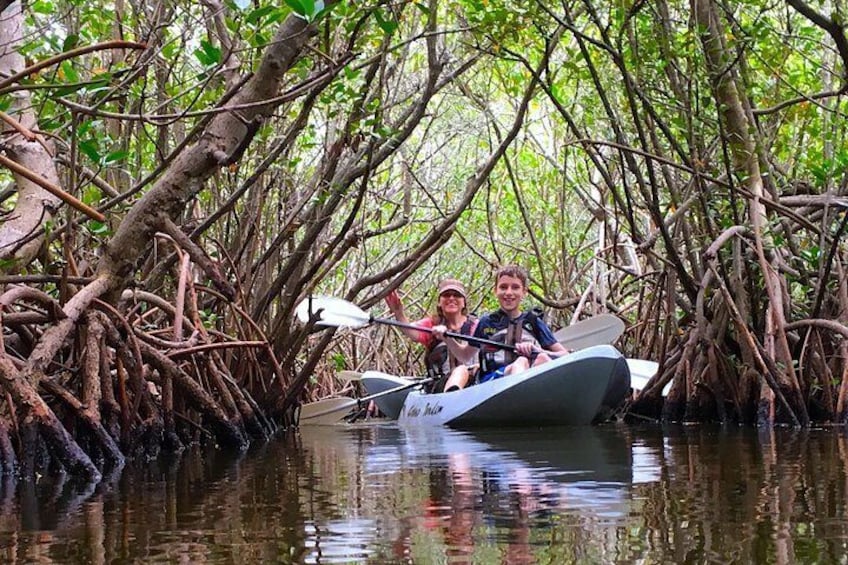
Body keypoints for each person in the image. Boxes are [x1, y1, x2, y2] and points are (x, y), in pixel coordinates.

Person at [472, 264, 567, 382]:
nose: (509, 292)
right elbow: (466, 356)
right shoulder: (486, 322)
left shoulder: (533, 321)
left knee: (542, 358)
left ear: (524, 292)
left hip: (528, 376)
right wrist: (447, 338)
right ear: (495, 291)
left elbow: (564, 355)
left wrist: (538, 350)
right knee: (521, 361)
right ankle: (517, 393)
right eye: (503, 287)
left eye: (515, 287)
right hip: (493, 380)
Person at [385, 278, 478, 392]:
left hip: (476, 383)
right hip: (440, 386)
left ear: (463, 302)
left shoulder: (477, 325)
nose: (451, 298)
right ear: (439, 302)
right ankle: (451, 396)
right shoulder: (432, 324)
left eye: (456, 295)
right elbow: (411, 332)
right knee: (460, 370)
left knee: (466, 370)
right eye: (446, 295)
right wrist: (399, 314)